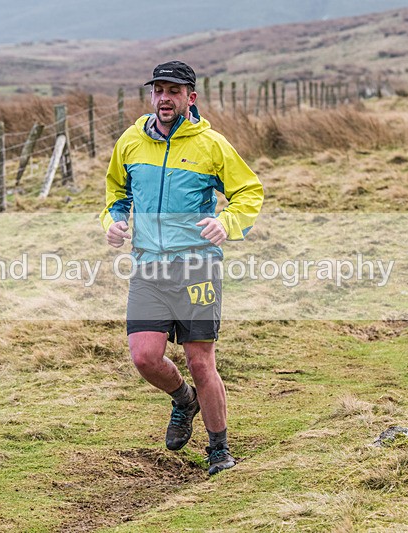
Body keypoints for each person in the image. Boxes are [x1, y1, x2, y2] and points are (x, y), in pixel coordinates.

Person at [100, 60, 264, 475]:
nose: (164, 98)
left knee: (200, 361)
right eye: (158, 90)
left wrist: (226, 222)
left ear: (190, 98)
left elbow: (249, 191)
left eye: (173, 91)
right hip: (148, 269)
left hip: (197, 268)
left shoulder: (211, 144)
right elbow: (116, 193)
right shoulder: (131, 142)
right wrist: (114, 221)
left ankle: (219, 449)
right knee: (144, 358)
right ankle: (183, 400)